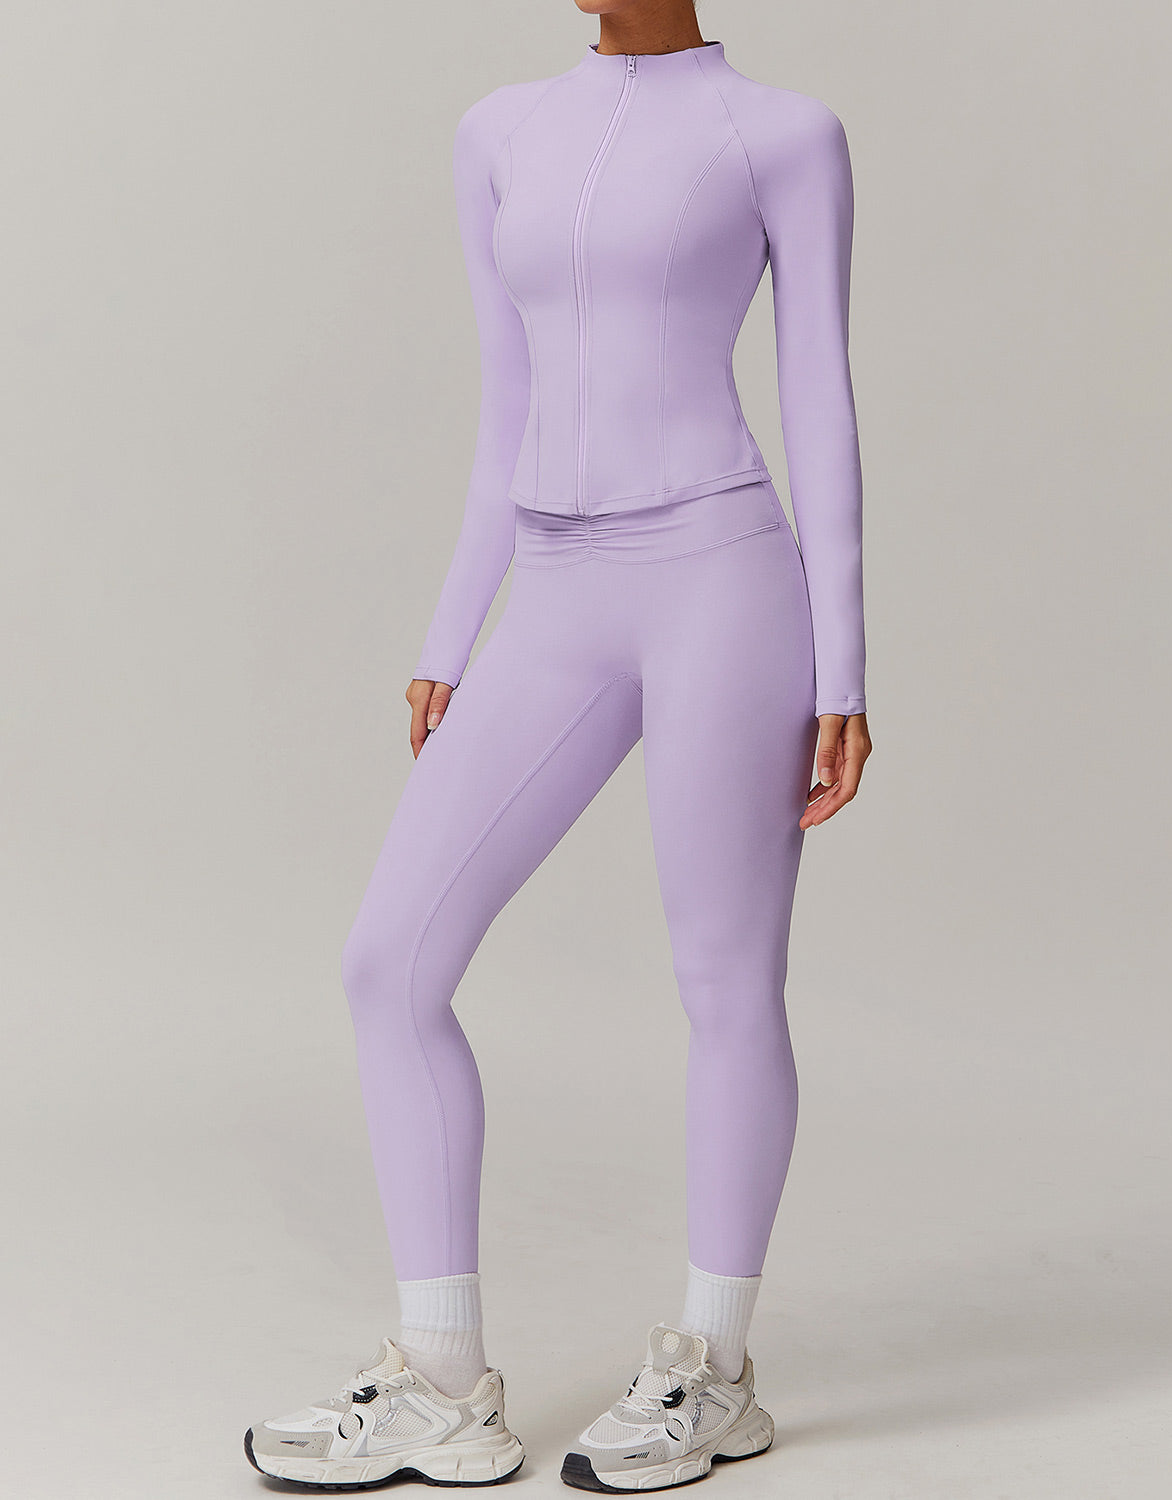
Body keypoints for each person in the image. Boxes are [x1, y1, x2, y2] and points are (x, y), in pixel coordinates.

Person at [244, 0, 873, 1491]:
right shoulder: (502, 132)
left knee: (725, 980)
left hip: (720, 576)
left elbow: (820, 398)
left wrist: (844, 663)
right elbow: (507, 399)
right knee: (390, 963)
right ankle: (442, 1385)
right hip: (556, 584)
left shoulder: (782, 135)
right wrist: (451, 635)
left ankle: (713, 1369)